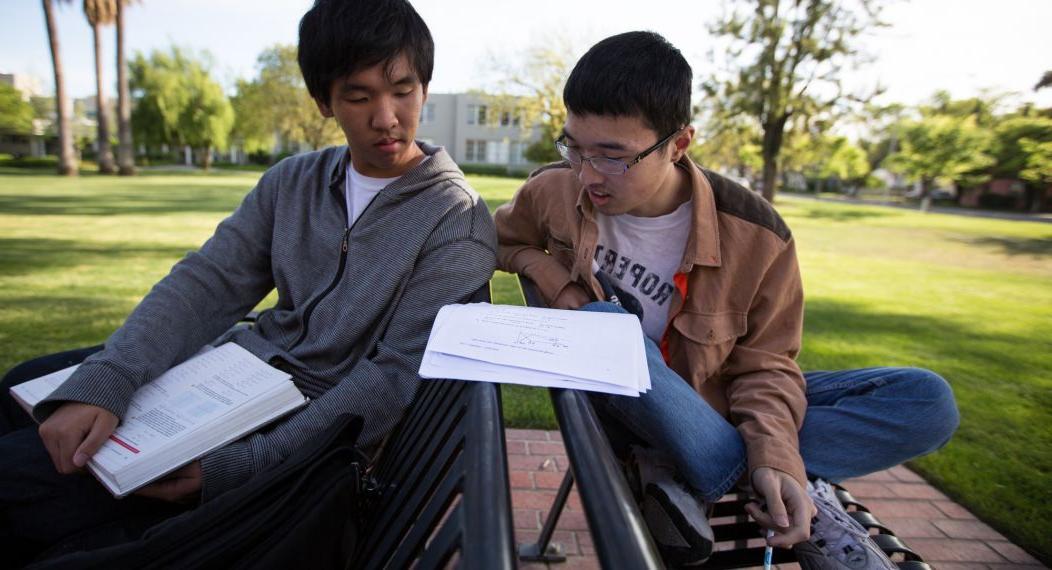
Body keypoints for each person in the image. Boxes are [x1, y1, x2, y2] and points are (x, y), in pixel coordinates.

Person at [0, 0, 497, 564]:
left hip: (300, 429)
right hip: (227, 377)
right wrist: (111, 375)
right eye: (359, 97)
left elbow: (390, 378)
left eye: (402, 91)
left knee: (17, 479)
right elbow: (207, 282)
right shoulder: (294, 181)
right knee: (27, 386)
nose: (386, 118)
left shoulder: (455, 220)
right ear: (324, 101)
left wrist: (243, 466)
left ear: (425, 88)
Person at [494, 31, 959, 569]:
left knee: (926, 400)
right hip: (621, 406)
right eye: (574, 146)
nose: (588, 173)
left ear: (679, 143)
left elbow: (765, 364)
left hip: (713, 401)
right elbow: (504, 240)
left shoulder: (759, 235)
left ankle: (686, 477)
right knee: (606, 329)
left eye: (613, 156)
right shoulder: (552, 191)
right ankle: (790, 490)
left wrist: (779, 460)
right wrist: (555, 279)